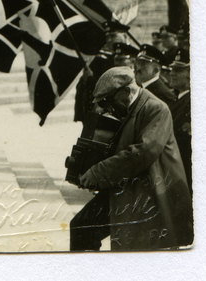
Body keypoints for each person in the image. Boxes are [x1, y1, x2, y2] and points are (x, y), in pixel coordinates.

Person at [69, 66, 193, 251]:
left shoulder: (156, 108)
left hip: (149, 193)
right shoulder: (128, 107)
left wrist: (98, 172)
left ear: (126, 91)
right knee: (80, 227)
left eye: (109, 101)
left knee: (135, 247)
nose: (108, 108)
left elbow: (143, 153)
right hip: (126, 187)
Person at [167, 49, 192, 190]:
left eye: (178, 70)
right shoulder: (179, 100)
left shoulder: (190, 102)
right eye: (172, 69)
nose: (172, 73)